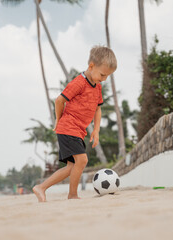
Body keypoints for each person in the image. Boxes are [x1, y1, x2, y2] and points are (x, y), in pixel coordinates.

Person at [33, 46, 117, 202]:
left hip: (78, 131)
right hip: (68, 127)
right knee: (82, 160)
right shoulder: (79, 83)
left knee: (71, 167)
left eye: (108, 76)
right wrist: (58, 119)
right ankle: (72, 195)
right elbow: (59, 100)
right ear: (91, 66)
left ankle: (41, 188)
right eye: (102, 75)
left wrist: (96, 130)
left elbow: (98, 110)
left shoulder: (97, 87)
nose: (104, 79)